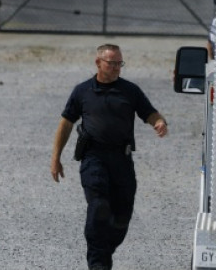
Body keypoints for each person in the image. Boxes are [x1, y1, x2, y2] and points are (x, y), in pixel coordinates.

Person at [50, 44, 168, 270]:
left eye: (119, 64)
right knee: (99, 206)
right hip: (93, 158)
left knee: (122, 216)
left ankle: (103, 252)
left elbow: (149, 113)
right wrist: (56, 157)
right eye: (111, 63)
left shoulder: (130, 91)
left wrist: (159, 122)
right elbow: (65, 123)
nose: (116, 68)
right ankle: (97, 264)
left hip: (121, 160)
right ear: (98, 63)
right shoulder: (82, 91)